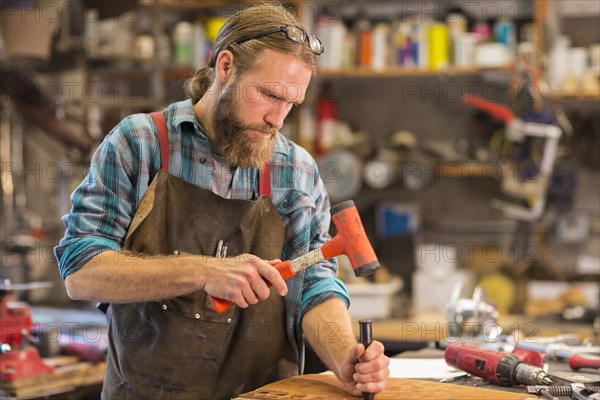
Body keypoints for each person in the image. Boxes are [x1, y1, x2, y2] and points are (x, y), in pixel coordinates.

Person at [55, 4, 389, 399]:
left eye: (290, 103)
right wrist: (203, 272)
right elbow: (81, 271)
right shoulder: (139, 144)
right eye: (267, 94)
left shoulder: (295, 170)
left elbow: (313, 285)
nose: (277, 119)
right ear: (226, 66)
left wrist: (345, 357)